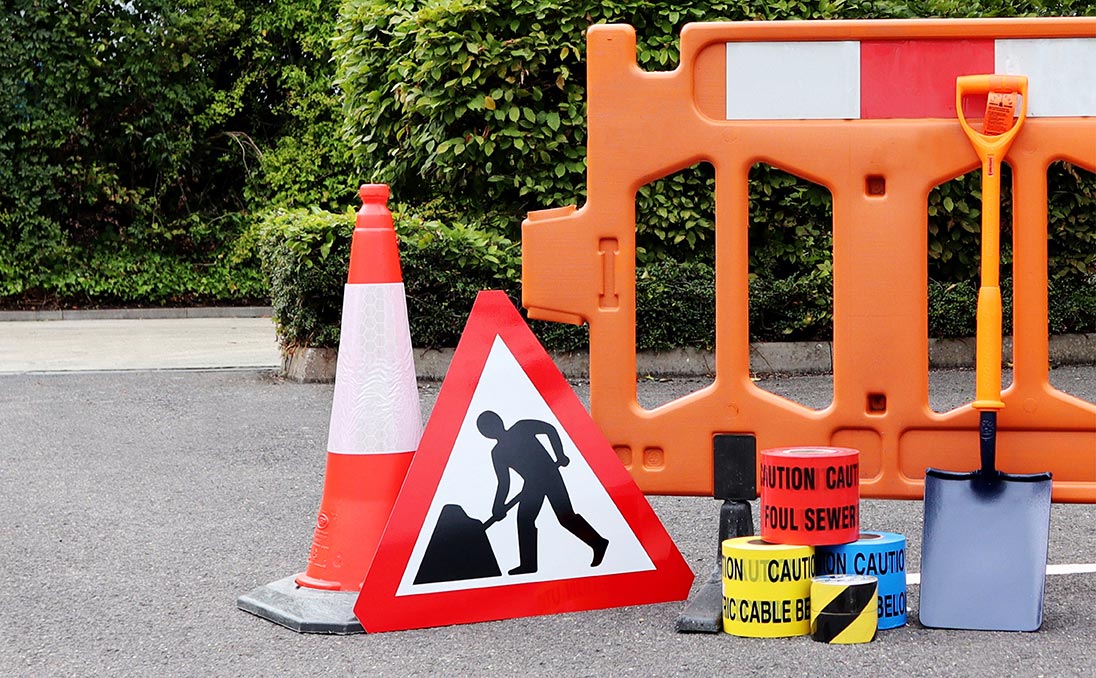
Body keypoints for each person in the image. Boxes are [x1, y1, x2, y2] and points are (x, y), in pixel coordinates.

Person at [476, 410, 609, 575]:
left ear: (499, 422)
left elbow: (549, 429)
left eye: (490, 427)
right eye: (486, 430)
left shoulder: (521, 428)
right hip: (532, 485)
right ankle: (528, 564)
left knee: (565, 516)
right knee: (524, 520)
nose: (490, 431)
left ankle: (598, 543)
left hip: (550, 475)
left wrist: (559, 454)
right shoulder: (497, 453)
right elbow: (504, 482)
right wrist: (497, 506)